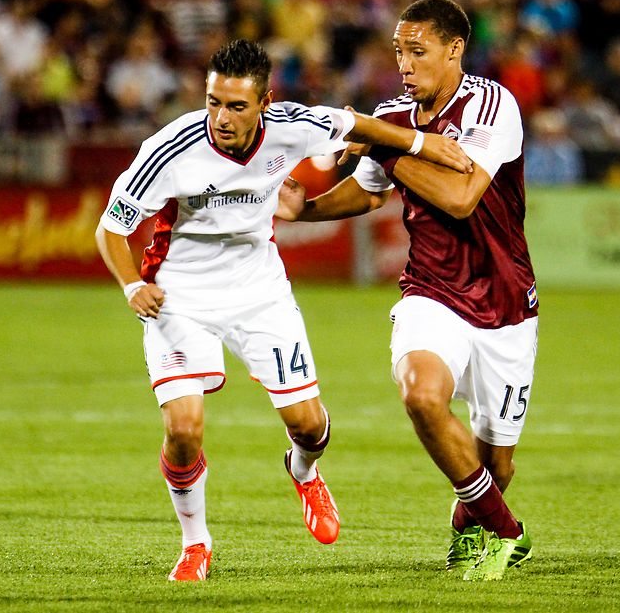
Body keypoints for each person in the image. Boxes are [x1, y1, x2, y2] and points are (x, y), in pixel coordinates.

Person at [94, 38, 470, 582]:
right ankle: (195, 543)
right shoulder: (169, 149)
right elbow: (112, 227)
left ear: (265, 101)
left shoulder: (292, 125)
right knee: (183, 428)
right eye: (213, 102)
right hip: (180, 297)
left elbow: (359, 125)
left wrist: (425, 147)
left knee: (309, 425)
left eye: (237, 106)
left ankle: (304, 470)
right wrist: (132, 286)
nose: (221, 118)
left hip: (259, 293)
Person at [276, 0, 537, 581]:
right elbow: (368, 193)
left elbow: (460, 197)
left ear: (454, 50)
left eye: (417, 51)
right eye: (399, 51)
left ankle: (471, 527)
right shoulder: (393, 115)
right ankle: (508, 532)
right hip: (432, 291)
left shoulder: (492, 106)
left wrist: (388, 149)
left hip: (505, 301)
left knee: (496, 464)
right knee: (420, 394)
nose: (405, 64)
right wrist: (306, 209)